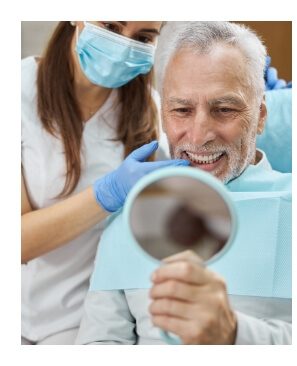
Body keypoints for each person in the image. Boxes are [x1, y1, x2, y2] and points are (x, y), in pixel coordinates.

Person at [75, 21, 291, 345]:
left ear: (260, 116)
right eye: (182, 109)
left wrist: (234, 335)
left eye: (224, 109)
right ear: (163, 115)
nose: (199, 134)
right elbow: (99, 341)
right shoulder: (130, 215)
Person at [21, 20, 190, 345]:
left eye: (143, 37)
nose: (124, 45)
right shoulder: (17, 90)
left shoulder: (150, 113)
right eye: (111, 26)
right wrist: (107, 194)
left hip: (82, 322)